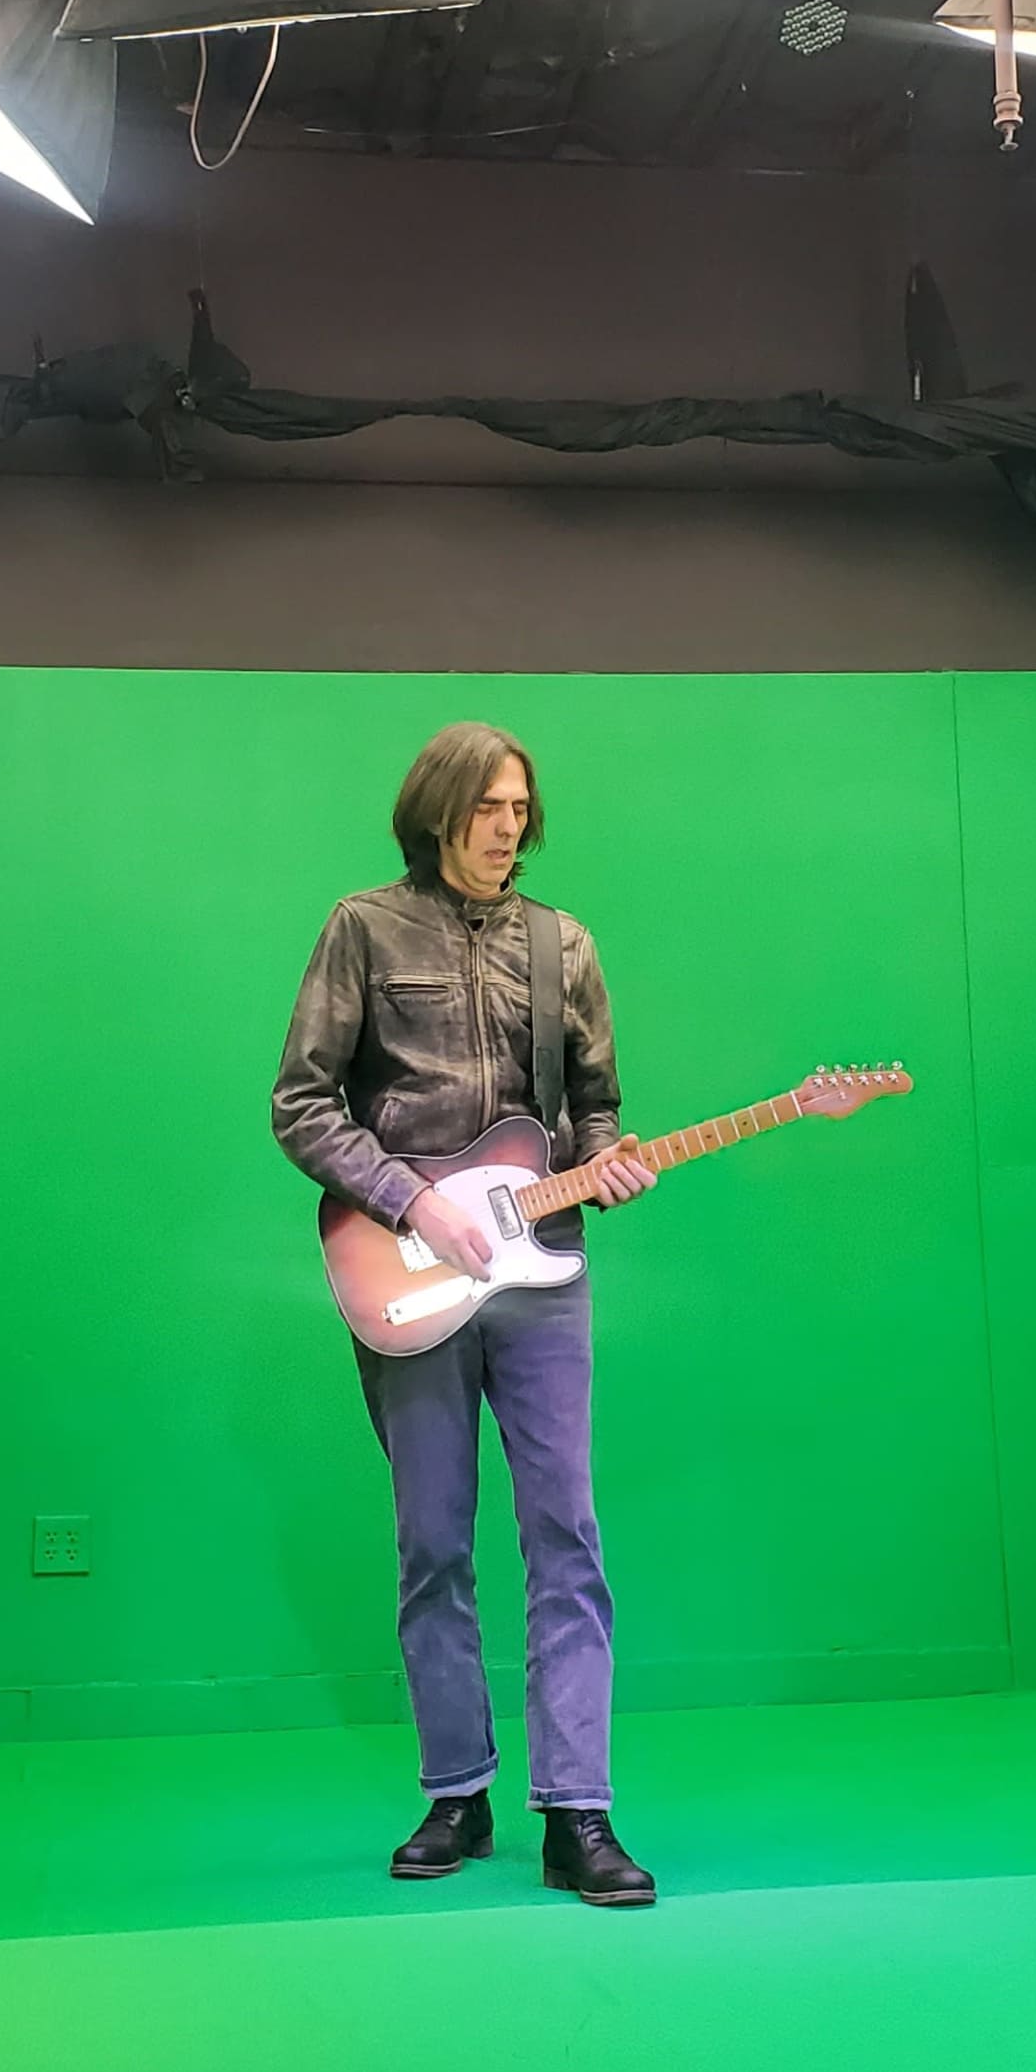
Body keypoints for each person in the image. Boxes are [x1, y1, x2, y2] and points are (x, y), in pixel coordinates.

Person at [272, 721, 662, 1906]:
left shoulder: (567, 945)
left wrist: (610, 1161)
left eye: (521, 807)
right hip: (410, 1274)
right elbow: (301, 1104)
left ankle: (578, 1814)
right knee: (433, 1544)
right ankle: (457, 1792)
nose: (511, 825)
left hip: (545, 1274)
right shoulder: (363, 927)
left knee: (567, 1539)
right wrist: (411, 1201)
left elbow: (596, 1104)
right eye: (491, 805)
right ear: (440, 809)